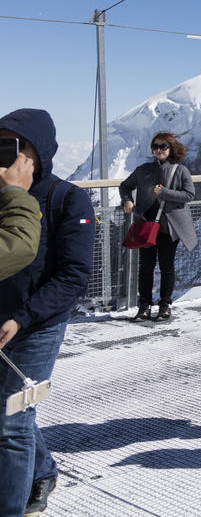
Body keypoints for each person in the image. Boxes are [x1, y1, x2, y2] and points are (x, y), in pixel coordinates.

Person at [0, 109, 94, 517]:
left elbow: (74, 276)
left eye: (13, 145)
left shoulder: (68, 198)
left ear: (36, 152)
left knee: (12, 421)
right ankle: (44, 471)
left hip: (37, 326)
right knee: (9, 414)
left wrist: (22, 317)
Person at [119, 132, 197, 322]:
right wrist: (127, 200)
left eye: (163, 146)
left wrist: (164, 192)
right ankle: (144, 306)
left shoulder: (180, 170)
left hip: (169, 227)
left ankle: (164, 305)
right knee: (145, 267)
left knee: (166, 267)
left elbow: (189, 195)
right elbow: (124, 186)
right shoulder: (143, 169)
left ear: (171, 149)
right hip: (146, 225)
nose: (159, 150)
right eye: (155, 146)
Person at [0, 155, 40, 282]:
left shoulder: (65, 195)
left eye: (22, 145)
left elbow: (74, 270)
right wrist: (14, 192)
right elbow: (18, 247)